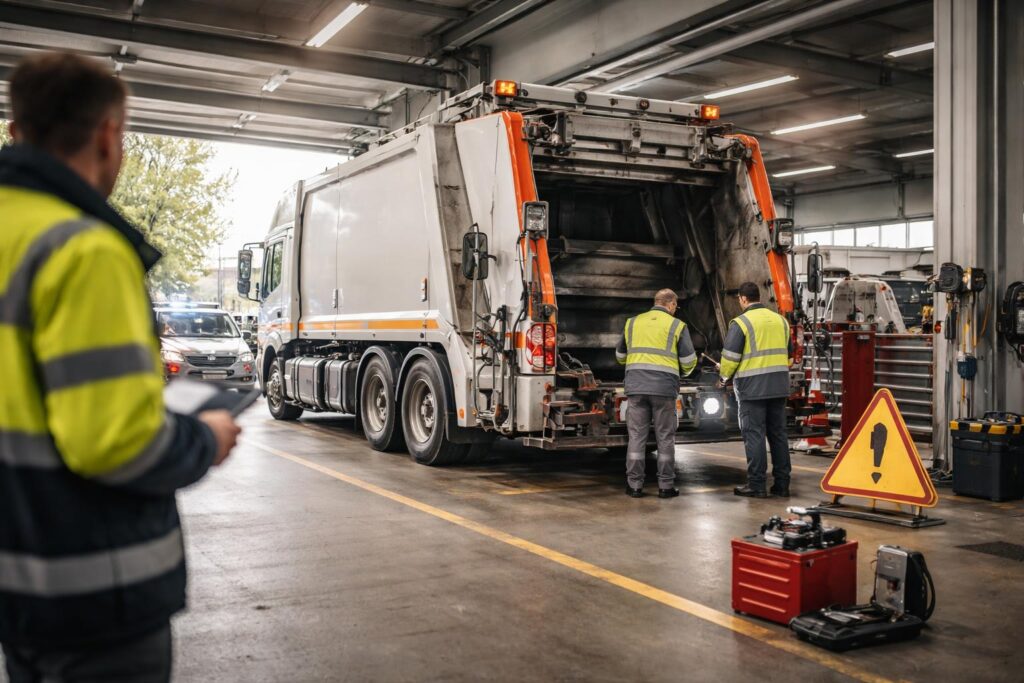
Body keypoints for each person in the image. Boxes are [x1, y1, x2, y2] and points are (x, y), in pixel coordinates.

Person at [0, 52, 241, 682]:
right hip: (90, 595)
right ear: (109, 136)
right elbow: (114, 444)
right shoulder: (83, 249)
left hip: (16, 582)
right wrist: (204, 438)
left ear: (14, 132)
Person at [616, 288, 697, 498]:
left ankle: (634, 486)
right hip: (664, 389)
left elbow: (620, 355)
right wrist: (682, 373)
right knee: (665, 438)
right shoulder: (677, 325)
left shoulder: (632, 322)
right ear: (670, 304)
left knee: (636, 438)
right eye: (675, 307)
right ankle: (665, 487)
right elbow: (689, 361)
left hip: (636, 388)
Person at [718, 282, 793, 498]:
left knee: (755, 436)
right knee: (778, 436)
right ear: (758, 296)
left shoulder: (741, 323)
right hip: (779, 387)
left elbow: (730, 358)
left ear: (742, 299)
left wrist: (723, 377)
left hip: (753, 389)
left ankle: (757, 485)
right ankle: (782, 485)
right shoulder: (781, 321)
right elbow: (788, 356)